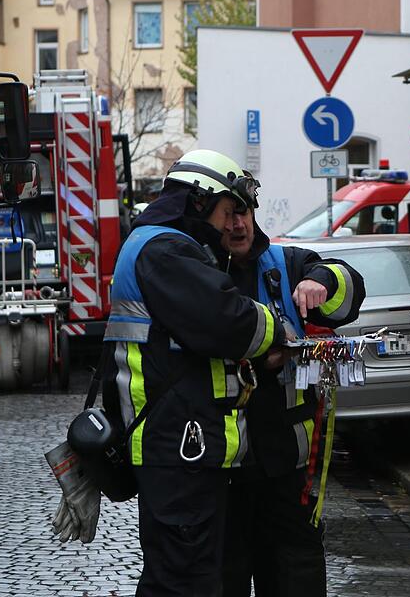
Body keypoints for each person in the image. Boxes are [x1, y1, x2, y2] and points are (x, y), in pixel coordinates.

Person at [100, 149, 284, 596]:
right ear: (199, 203)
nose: (229, 224)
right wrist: (278, 327)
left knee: (183, 576)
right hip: (176, 443)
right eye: (226, 211)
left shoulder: (160, 245)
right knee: (184, 581)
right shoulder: (166, 250)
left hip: (178, 443)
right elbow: (231, 323)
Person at [220, 203, 365, 597]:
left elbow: (349, 285)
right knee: (223, 577)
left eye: (243, 213)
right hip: (223, 472)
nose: (237, 224)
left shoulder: (286, 262)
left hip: (287, 465)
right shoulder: (199, 270)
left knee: (295, 574)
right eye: (227, 216)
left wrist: (321, 280)